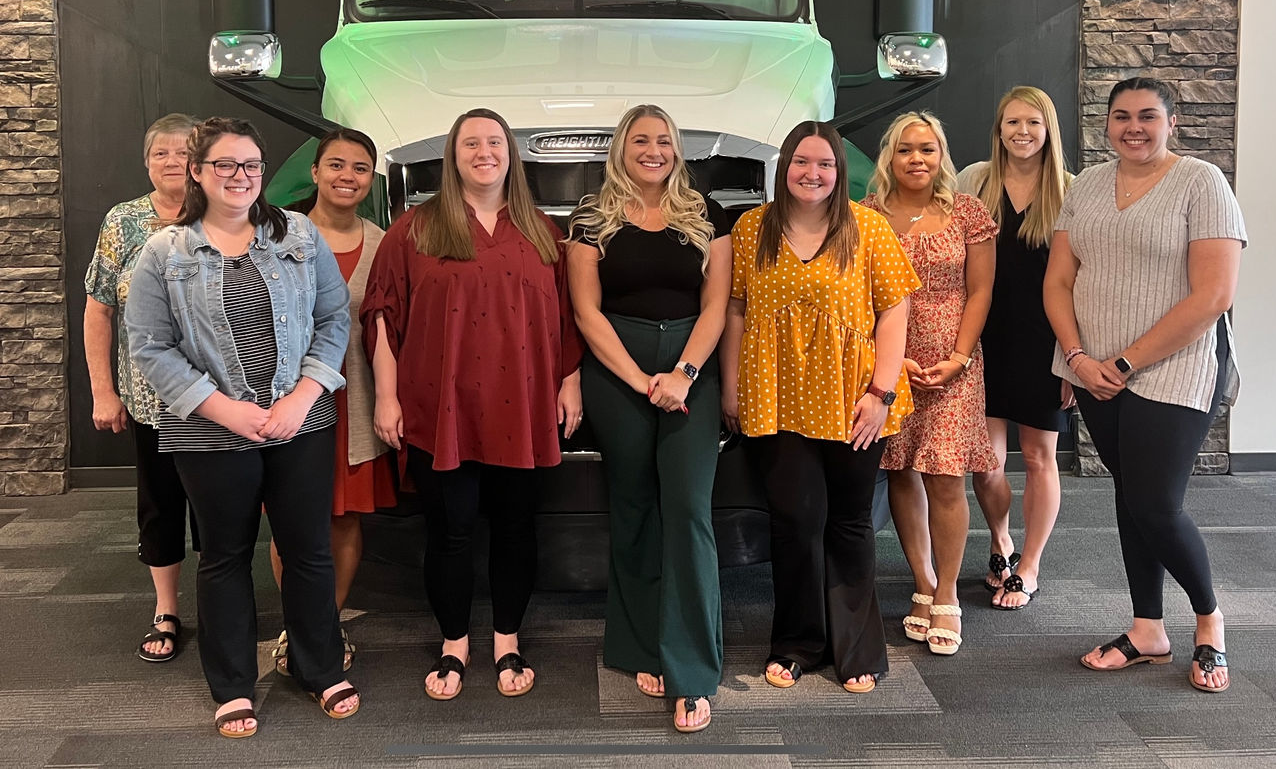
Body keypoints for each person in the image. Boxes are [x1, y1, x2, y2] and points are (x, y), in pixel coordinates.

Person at [125, 117, 359, 738]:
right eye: (225, 165)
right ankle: (232, 686)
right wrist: (226, 410)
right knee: (224, 556)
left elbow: (335, 322)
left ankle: (321, 668)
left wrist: (303, 397)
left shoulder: (300, 236)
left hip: (300, 421)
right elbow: (149, 347)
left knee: (308, 551)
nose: (240, 176)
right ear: (198, 173)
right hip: (208, 430)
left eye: (251, 165)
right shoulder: (164, 252)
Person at [361, 108, 582, 704]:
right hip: (440, 410)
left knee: (515, 530)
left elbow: (567, 319)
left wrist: (570, 382)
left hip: (523, 411)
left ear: (511, 153)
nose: (484, 152)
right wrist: (386, 396)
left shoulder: (542, 232)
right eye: (470, 143)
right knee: (450, 533)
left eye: (494, 142)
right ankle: (454, 644)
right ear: (452, 156)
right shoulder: (414, 230)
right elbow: (383, 317)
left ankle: (507, 639)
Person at [1044, 77, 1244, 693]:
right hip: (1092, 369)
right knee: (1130, 498)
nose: (1134, 127)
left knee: (1157, 504)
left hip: (1171, 369)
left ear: (1171, 121)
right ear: (1107, 124)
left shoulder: (1201, 182)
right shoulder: (1086, 186)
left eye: (1148, 116)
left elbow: (1213, 295)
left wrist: (1124, 363)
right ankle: (1147, 628)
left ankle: (1208, 621)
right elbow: (1058, 281)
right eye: (1122, 116)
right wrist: (1079, 359)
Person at [722, 120, 920, 693]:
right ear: (784, 167)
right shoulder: (752, 227)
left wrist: (882, 394)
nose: (814, 173)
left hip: (854, 397)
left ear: (839, 170)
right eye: (802, 162)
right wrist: (732, 387)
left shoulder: (868, 228)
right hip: (775, 396)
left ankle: (857, 649)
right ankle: (796, 643)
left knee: (850, 523)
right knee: (794, 523)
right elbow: (735, 311)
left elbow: (894, 312)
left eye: (825, 164)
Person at [567, 104, 730, 734]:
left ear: (676, 149)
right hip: (617, 368)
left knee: (688, 508)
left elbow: (716, 304)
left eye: (663, 140)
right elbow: (586, 310)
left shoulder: (705, 212)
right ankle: (640, 646)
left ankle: (691, 670)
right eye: (641, 140)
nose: (653, 150)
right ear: (621, 148)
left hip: (693, 363)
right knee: (632, 505)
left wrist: (683, 374)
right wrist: (639, 380)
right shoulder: (591, 217)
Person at [861, 111, 997, 656]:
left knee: (945, 476)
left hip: (954, 364)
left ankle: (947, 593)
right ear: (888, 157)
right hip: (890, 364)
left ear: (942, 155)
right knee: (901, 471)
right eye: (905, 150)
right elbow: (859, 294)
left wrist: (960, 356)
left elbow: (981, 290)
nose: (917, 159)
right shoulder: (865, 215)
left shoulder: (968, 211)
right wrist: (886, 363)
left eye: (927, 149)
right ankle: (919, 581)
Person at [269, 127, 396, 675]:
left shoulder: (385, 241)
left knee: (343, 518)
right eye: (337, 165)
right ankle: (298, 624)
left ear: (371, 180)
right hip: (291, 397)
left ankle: (327, 624)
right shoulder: (276, 233)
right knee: (291, 520)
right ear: (315, 173)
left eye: (360, 168)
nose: (347, 176)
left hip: (356, 399)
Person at [84, 113, 201, 663]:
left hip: (218, 401)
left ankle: (230, 602)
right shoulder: (123, 221)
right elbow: (99, 309)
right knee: (160, 506)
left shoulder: (225, 212)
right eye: (161, 154)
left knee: (225, 509)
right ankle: (166, 609)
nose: (173, 162)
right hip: (152, 400)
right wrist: (103, 392)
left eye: (183, 152)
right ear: (146, 162)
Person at [956, 86, 1074, 610]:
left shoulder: (1071, 190)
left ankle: (1029, 564)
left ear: (1049, 129)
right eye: (1012, 123)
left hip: (1046, 342)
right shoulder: (972, 182)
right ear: (998, 129)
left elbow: (1082, 282)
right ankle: (1001, 541)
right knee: (987, 464)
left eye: (1033, 122)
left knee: (1039, 456)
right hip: (982, 338)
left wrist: (1075, 356)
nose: (1022, 132)